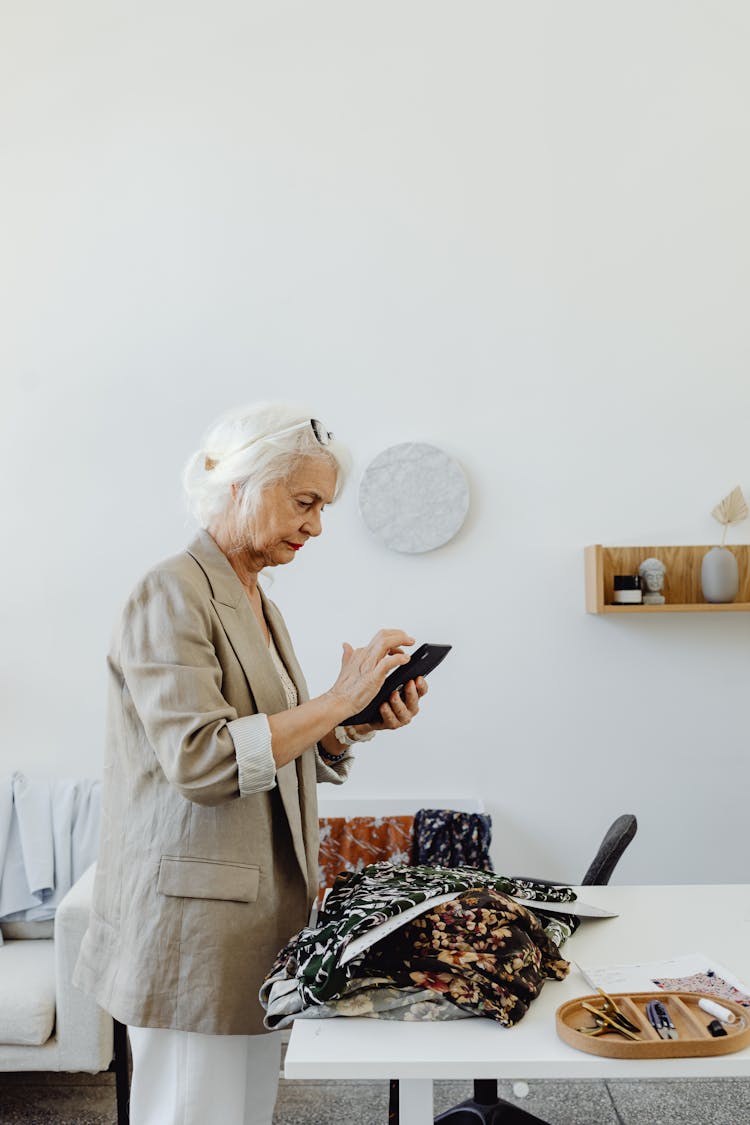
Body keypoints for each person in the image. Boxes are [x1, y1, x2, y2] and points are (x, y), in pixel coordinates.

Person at [73, 402, 428, 1125]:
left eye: (322, 507)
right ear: (241, 483)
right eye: (304, 502)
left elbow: (270, 745)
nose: (316, 525)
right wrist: (335, 700)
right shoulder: (170, 592)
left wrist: (347, 724)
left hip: (258, 919)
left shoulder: (257, 600)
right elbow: (202, 762)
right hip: (193, 927)